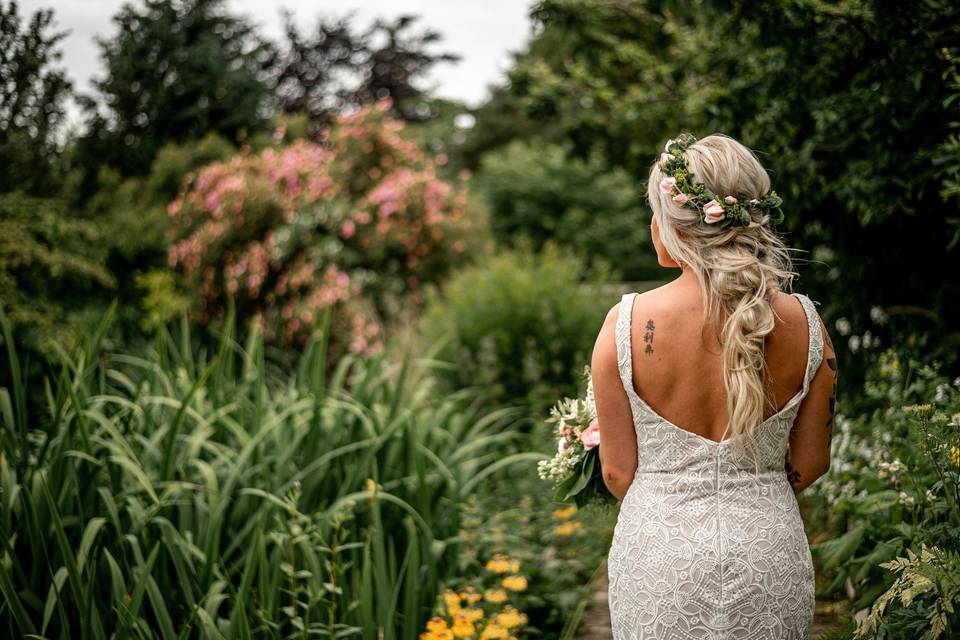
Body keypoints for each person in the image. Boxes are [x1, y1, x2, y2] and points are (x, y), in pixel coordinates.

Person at [591, 133, 837, 639]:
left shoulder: (625, 324)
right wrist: (751, 491)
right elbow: (812, 462)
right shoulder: (807, 323)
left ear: (672, 226)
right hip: (768, 553)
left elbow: (618, 473)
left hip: (659, 556)